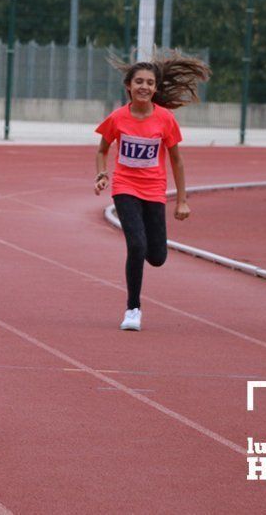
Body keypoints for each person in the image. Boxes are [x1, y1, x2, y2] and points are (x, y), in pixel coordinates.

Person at [94, 53, 210, 331]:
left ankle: (145, 248)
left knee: (156, 257)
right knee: (136, 245)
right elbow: (102, 149)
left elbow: (177, 160)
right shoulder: (117, 118)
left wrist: (182, 200)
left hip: (154, 190)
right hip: (125, 187)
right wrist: (102, 173)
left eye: (149, 82)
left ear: (156, 88)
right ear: (128, 86)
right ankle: (133, 308)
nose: (144, 87)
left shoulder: (165, 120)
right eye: (138, 82)